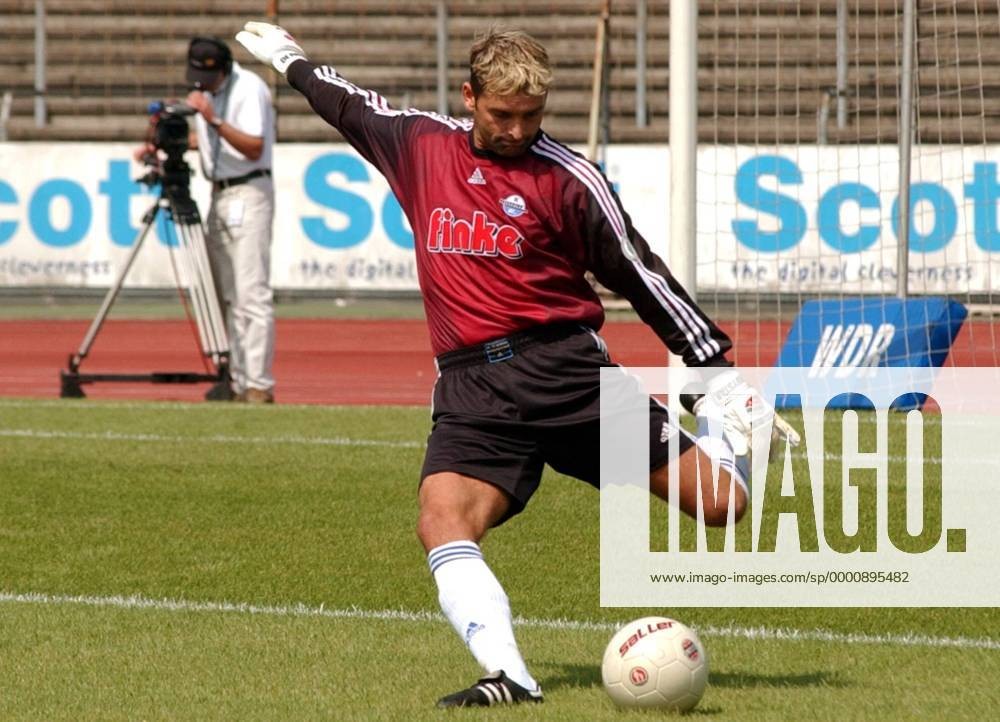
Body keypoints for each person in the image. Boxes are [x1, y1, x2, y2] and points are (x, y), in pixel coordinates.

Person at [236, 22, 792, 707]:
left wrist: (710, 366)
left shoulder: (568, 179)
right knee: (442, 520)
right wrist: (292, 60)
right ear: (469, 97)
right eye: (503, 114)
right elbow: (347, 103)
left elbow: (638, 271)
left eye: (531, 116)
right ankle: (510, 676)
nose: (518, 129)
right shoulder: (418, 143)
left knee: (720, 506)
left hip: (563, 375)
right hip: (471, 386)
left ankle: (740, 432)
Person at [138, 37, 277, 403]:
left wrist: (212, 119)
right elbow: (216, 144)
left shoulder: (250, 89)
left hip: (249, 192)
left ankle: (258, 384)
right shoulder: (210, 92)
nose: (201, 82)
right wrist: (162, 146)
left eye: (207, 75)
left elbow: (253, 147)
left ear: (224, 69)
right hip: (219, 193)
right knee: (223, 296)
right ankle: (235, 379)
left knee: (250, 293)